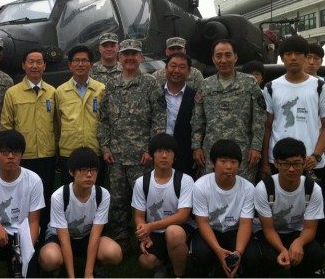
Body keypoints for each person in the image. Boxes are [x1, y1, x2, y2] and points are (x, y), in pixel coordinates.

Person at [98, 39, 167, 252]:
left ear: (141, 58)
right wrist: (106, 148)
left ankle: (146, 239)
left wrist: (151, 150)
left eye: (134, 54)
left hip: (141, 157)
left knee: (144, 200)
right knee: (118, 201)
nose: (129, 58)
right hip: (116, 157)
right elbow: (103, 120)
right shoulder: (111, 86)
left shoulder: (150, 84)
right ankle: (121, 239)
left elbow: (159, 119)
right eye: (126, 54)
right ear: (119, 58)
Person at [0, 48, 56, 242]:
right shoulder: (12, 93)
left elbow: (57, 124)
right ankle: (20, 238)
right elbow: (6, 127)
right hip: (23, 158)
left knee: (44, 198)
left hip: (47, 156)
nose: (34, 66)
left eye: (39, 62)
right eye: (30, 62)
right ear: (23, 65)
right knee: (22, 200)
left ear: (44, 66)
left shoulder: (52, 92)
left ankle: (44, 237)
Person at [191, 38, 266, 183]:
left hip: (242, 153)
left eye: (228, 55)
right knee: (211, 191)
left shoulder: (250, 83)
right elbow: (197, 120)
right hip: (211, 153)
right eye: (218, 56)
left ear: (236, 57)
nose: (223, 60)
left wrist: (256, 147)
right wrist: (196, 147)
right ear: (213, 59)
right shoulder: (205, 85)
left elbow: (259, 119)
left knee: (242, 192)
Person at [39, 147, 122, 277]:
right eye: (83, 170)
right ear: (71, 172)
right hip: (61, 238)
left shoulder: (102, 194)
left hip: (87, 237)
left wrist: (87, 274)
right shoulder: (59, 196)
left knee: (114, 253)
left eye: (93, 170)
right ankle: (57, 269)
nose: (89, 175)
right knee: (49, 258)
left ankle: (94, 267)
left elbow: (95, 233)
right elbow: (64, 238)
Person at [0, 130, 44, 277]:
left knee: (28, 268)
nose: (11, 157)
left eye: (15, 152)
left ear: (22, 155)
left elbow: (34, 221)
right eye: (5, 152)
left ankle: (17, 265)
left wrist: (26, 251)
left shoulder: (34, 180)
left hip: (24, 235)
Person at [261, 36, 325, 177]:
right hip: (279, 162)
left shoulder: (320, 87)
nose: (293, 58)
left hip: (310, 162)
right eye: (288, 54)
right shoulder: (270, 88)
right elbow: (267, 127)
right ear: (282, 58)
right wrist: (264, 162)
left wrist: (316, 155)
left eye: (298, 53)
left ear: (305, 57)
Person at [255, 137, 324, 277]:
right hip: (271, 233)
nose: (292, 169)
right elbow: (268, 229)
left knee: (316, 255)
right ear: (276, 164)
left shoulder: (312, 188)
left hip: (297, 232)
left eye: (297, 163)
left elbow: (310, 228)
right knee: (266, 258)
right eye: (285, 164)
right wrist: (282, 249)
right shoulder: (264, 188)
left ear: (304, 162)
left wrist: (299, 242)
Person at [191, 139, 260, 278]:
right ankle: (211, 269)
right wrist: (218, 251)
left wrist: (238, 253)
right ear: (213, 163)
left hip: (235, 231)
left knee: (253, 256)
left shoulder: (248, 188)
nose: (229, 166)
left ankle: (239, 270)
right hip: (211, 230)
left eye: (234, 162)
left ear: (239, 165)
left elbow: (246, 224)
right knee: (201, 254)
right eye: (223, 161)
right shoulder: (201, 186)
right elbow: (202, 222)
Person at [131, 133, 194, 278]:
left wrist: (150, 227)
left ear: (175, 156)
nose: (164, 156)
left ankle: (178, 274)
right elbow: (139, 216)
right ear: (152, 155)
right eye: (159, 151)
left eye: (169, 152)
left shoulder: (185, 180)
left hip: (178, 229)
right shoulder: (142, 182)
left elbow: (183, 216)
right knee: (146, 262)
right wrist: (143, 236)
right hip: (153, 232)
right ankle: (164, 264)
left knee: (173, 233)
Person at [55, 45, 106, 185]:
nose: (80, 64)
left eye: (84, 60)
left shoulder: (101, 89)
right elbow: (58, 123)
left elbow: (105, 120)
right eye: (76, 61)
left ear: (91, 64)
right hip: (69, 152)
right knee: (69, 193)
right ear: (70, 65)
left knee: (95, 192)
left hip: (94, 150)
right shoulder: (60, 91)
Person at [303, 42, 325, 251]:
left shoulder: (323, 86)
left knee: (320, 200)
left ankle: (318, 243)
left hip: (321, 154)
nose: (312, 63)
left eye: (317, 59)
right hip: (294, 155)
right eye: (309, 57)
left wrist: (318, 153)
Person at [161, 52, 196, 177]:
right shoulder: (155, 94)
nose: (176, 70)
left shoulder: (195, 96)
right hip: (159, 153)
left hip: (185, 155)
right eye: (173, 66)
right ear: (166, 68)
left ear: (189, 71)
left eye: (182, 67)